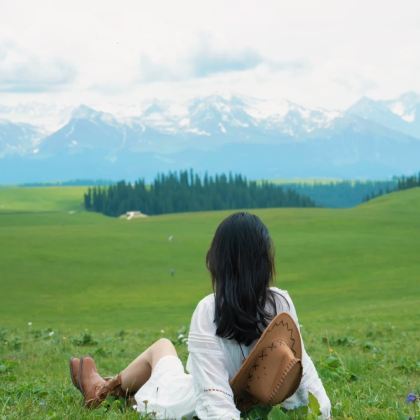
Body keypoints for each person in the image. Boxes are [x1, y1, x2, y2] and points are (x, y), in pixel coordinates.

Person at [70, 212, 331, 419]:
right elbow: (304, 369)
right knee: (164, 352)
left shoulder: (210, 309)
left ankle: (101, 390)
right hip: (211, 394)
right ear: (266, 261)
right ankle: (106, 388)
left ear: (218, 262)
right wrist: (323, 412)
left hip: (186, 404)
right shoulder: (280, 302)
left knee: (162, 347)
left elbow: (213, 399)